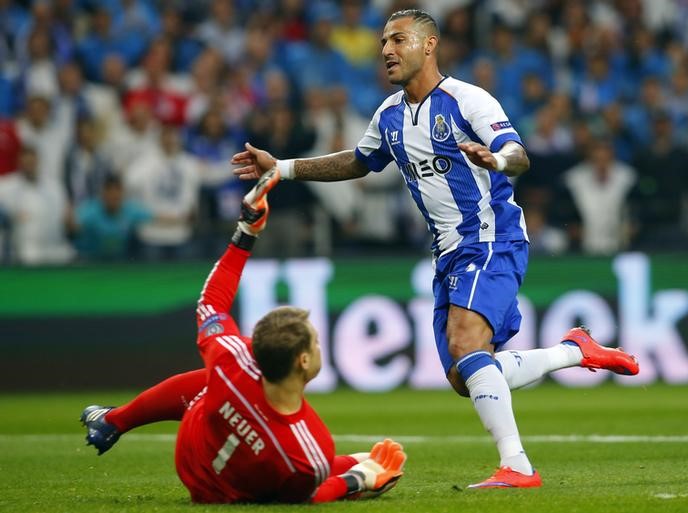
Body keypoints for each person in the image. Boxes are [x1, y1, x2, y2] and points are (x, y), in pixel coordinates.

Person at [230, 9, 640, 489]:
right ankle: (575, 350)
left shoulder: (469, 100)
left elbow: (518, 153)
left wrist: (497, 158)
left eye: (397, 40)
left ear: (429, 45)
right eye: (383, 41)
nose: (386, 50)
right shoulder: (389, 115)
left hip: (490, 237)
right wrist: (282, 166)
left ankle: (518, 467)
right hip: (446, 251)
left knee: (467, 345)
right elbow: (359, 162)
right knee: (465, 374)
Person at [80, 168, 406, 503]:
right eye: (316, 341)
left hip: (192, 457)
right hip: (226, 493)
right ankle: (113, 419)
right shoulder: (310, 444)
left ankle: (114, 421)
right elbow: (307, 493)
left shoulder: (234, 359)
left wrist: (246, 232)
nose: (321, 345)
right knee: (297, 466)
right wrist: (357, 478)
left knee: (211, 380)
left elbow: (211, 303)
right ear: (303, 360)